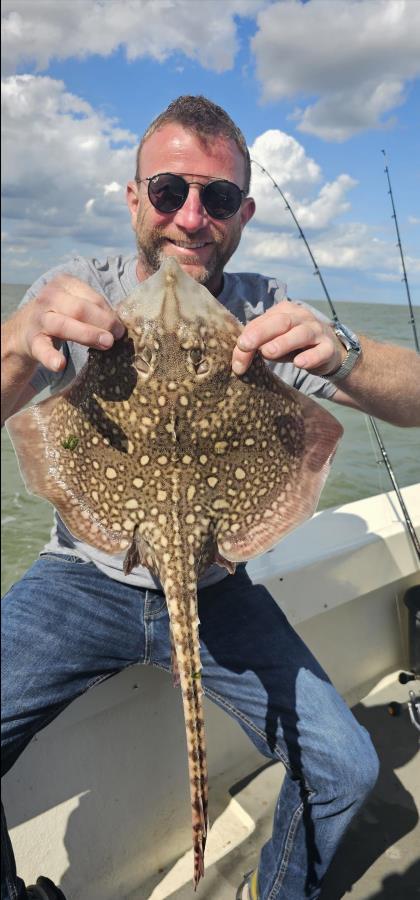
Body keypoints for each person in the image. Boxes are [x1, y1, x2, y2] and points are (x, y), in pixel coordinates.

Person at [1, 95, 419, 900]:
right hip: (82, 577)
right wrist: (23, 341)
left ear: (243, 212)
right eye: (168, 191)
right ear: (135, 197)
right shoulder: (81, 287)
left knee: (345, 768)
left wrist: (344, 353)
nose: (191, 217)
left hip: (217, 582)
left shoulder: (264, 311)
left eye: (217, 198)